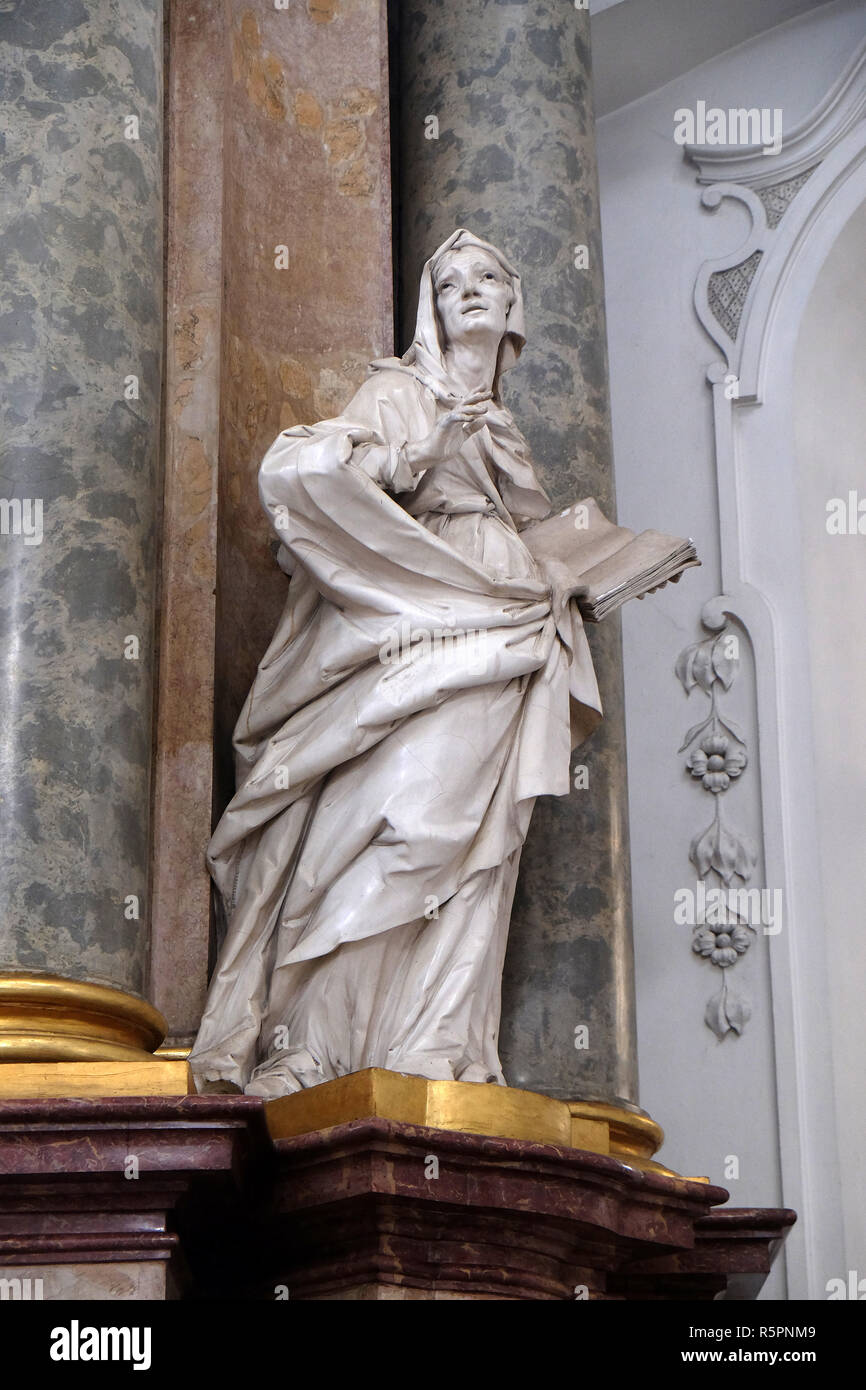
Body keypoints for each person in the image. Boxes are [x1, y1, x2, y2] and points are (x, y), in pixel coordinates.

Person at [189, 229, 602, 1098]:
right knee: (406, 823)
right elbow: (331, 471)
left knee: (483, 842)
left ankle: (431, 1041)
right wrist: (420, 444)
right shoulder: (399, 388)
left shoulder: (509, 425)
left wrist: (565, 571)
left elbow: (517, 523)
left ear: (515, 301)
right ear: (432, 306)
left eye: (490, 278)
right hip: (416, 612)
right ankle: (313, 1044)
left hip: (512, 624)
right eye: (452, 284)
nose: (473, 292)